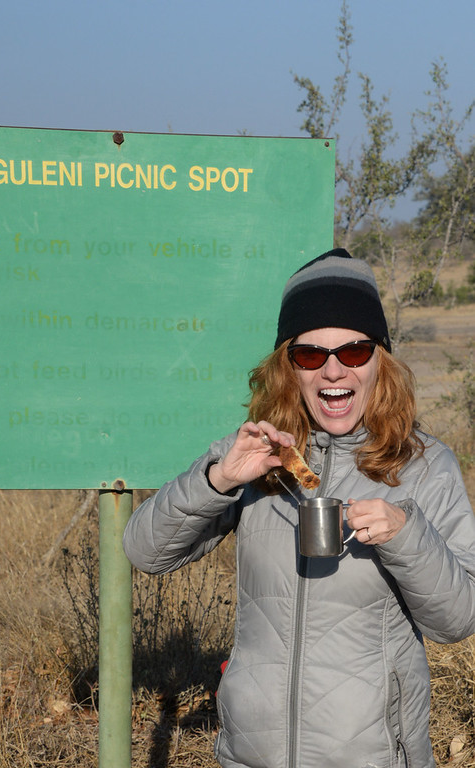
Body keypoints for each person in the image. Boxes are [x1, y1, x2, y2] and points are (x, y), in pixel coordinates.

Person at [123, 248, 475, 768]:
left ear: (381, 360)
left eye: (354, 351)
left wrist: (406, 534)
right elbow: (145, 552)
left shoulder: (423, 464)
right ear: (289, 366)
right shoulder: (258, 452)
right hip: (251, 755)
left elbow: (458, 618)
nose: (334, 370)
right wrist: (219, 479)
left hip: (371, 756)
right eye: (311, 354)